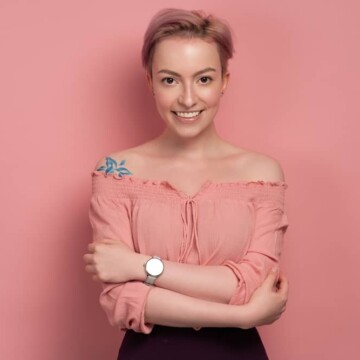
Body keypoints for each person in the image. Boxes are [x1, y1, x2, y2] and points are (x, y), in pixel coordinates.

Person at [83, 8, 289, 360]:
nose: (188, 99)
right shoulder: (117, 171)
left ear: (224, 80)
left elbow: (251, 284)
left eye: (204, 79)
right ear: (150, 82)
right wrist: (242, 316)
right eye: (170, 80)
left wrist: (141, 266)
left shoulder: (263, 173)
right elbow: (123, 299)